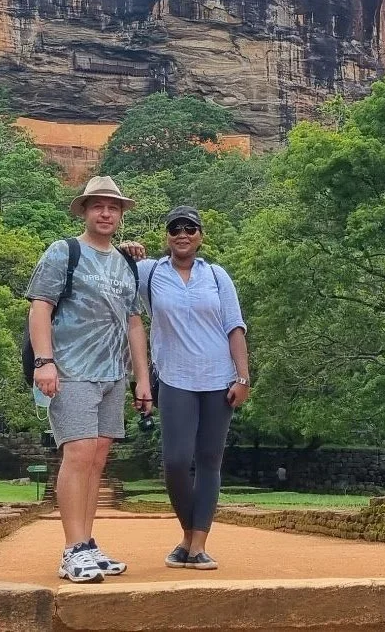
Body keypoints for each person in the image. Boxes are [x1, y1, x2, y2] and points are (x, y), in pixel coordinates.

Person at [26, 176, 152, 583]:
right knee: (77, 454)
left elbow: (135, 324)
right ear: (84, 210)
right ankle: (72, 549)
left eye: (112, 207)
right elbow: (40, 307)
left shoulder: (126, 263)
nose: (105, 212)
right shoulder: (65, 252)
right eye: (97, 205)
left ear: (121, 214)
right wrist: (44, 362)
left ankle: (87, 544)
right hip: (71, 370)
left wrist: (142, 380)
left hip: (113, 374)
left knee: (97, 460)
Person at [131, 206, 250, 570]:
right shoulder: (150, 273)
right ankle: (188, 535)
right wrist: (125, 248)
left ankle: (196, 544)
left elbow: (235, 326)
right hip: (175, 378)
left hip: (218, 379)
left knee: (210, 461)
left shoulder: (216, 275)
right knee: (177, 462)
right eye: (175, 228)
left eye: (190, 228)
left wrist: (242, 377)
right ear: (166, 236)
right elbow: (115, 281)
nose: (182, 234)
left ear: (200, 235)